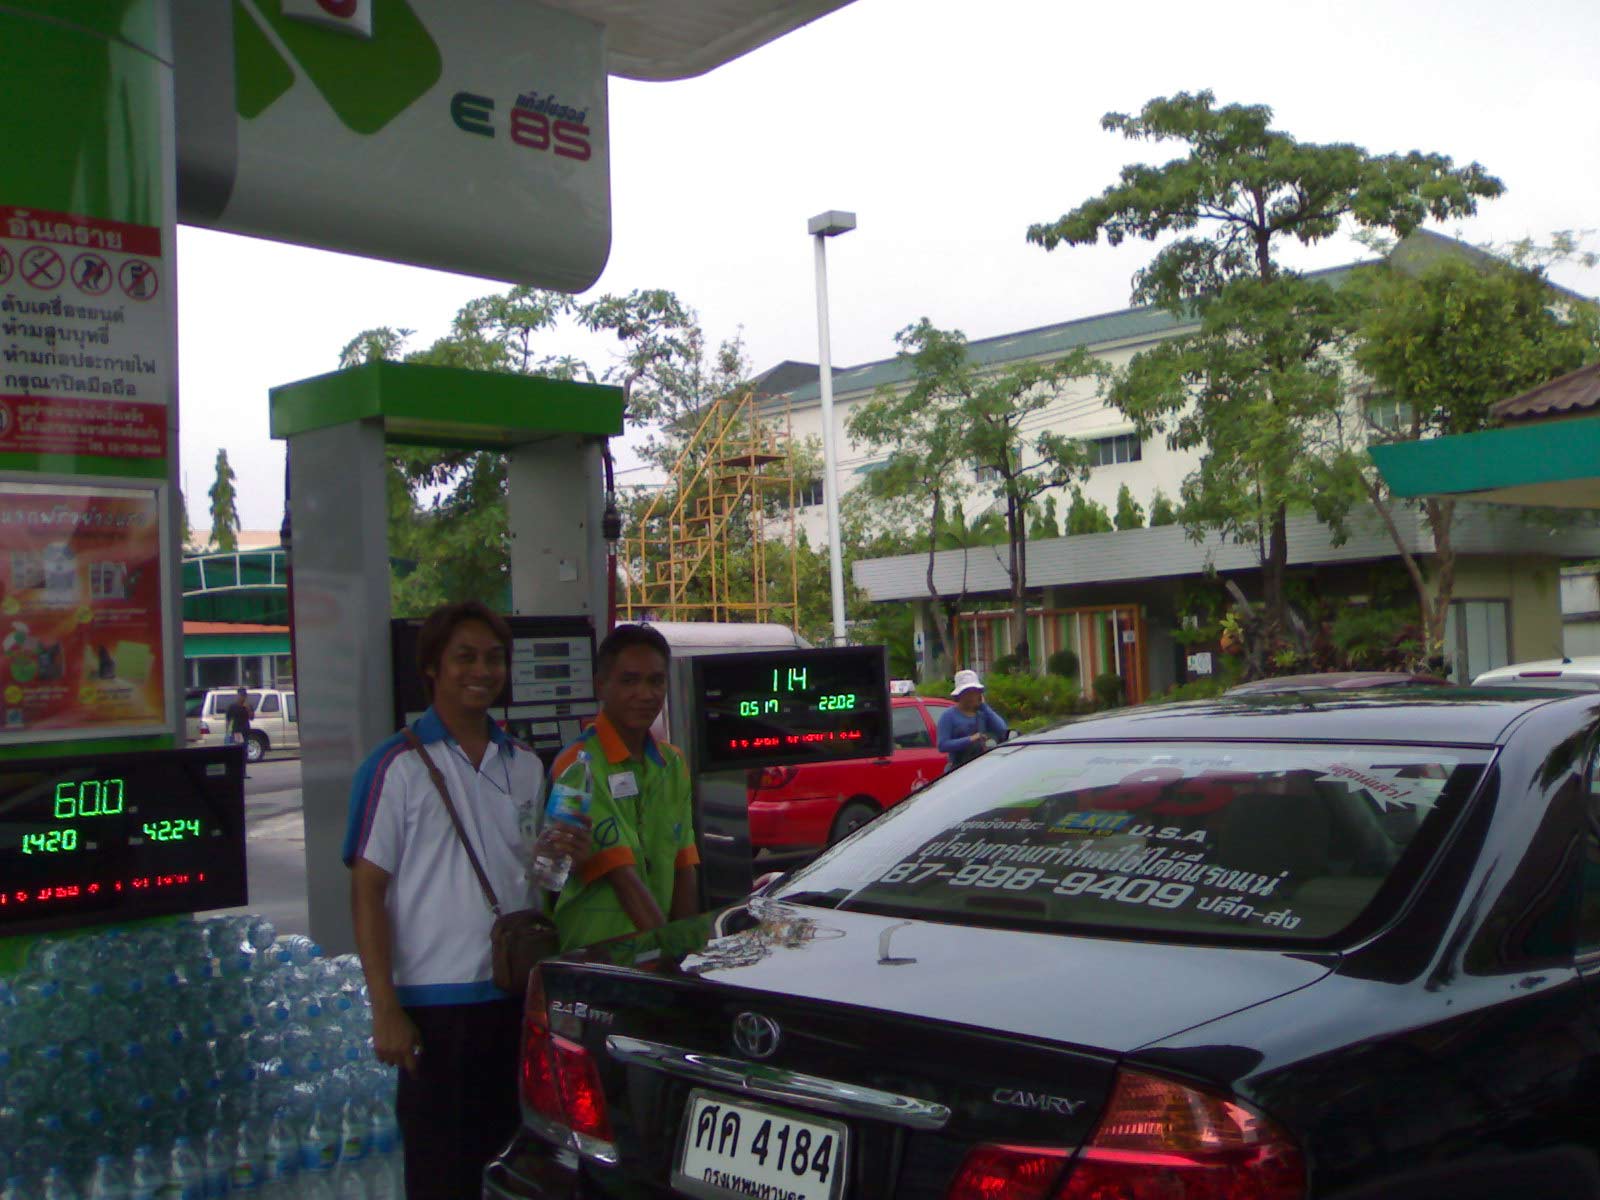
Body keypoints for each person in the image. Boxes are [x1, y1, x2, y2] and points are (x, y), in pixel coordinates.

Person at [343, 601, 588, 1200]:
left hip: (515, 997)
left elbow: (536, 878)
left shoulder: (524, 764)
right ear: (432, 667)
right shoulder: (395, 767)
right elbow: (367, 890)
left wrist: (563, 856)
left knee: (513, 1168)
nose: (482, 671)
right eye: (465, 657)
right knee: (441, 1174)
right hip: (436, 1009)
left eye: (494, 658)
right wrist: (384, 1008)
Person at [552, 623, 701, 952]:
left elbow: (684, 865)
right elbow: (621, 876)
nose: (645, 694)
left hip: (655, 951)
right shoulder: (576, 765)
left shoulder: (672, 764)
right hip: (596, 956)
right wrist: (671, 952)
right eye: (629, 681)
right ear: (601, 686)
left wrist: (688, 946)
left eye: (656, 681)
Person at [937, 669, 1008, 770]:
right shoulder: (948, 716)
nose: (972, 696)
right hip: (958, 767)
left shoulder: (982, 714)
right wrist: (970, 739)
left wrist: (984, 706)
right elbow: (942, 745)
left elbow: (1002, 729)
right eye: (967, 693)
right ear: (959, 695)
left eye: (975, 692)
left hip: (982, 766)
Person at [224, 687, 253, 776]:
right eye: (241, 695)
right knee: (239, 751)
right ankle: (236, 772)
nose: (243, 697)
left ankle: (243, 772)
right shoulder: (232, 707)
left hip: (246, 732)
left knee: (245, 752)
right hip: (237, 732)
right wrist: (228, 733)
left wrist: (248, 709)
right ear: (238, 695)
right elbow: (228, 720)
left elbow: (252, 718)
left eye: (244, 696)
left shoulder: (248, 706)